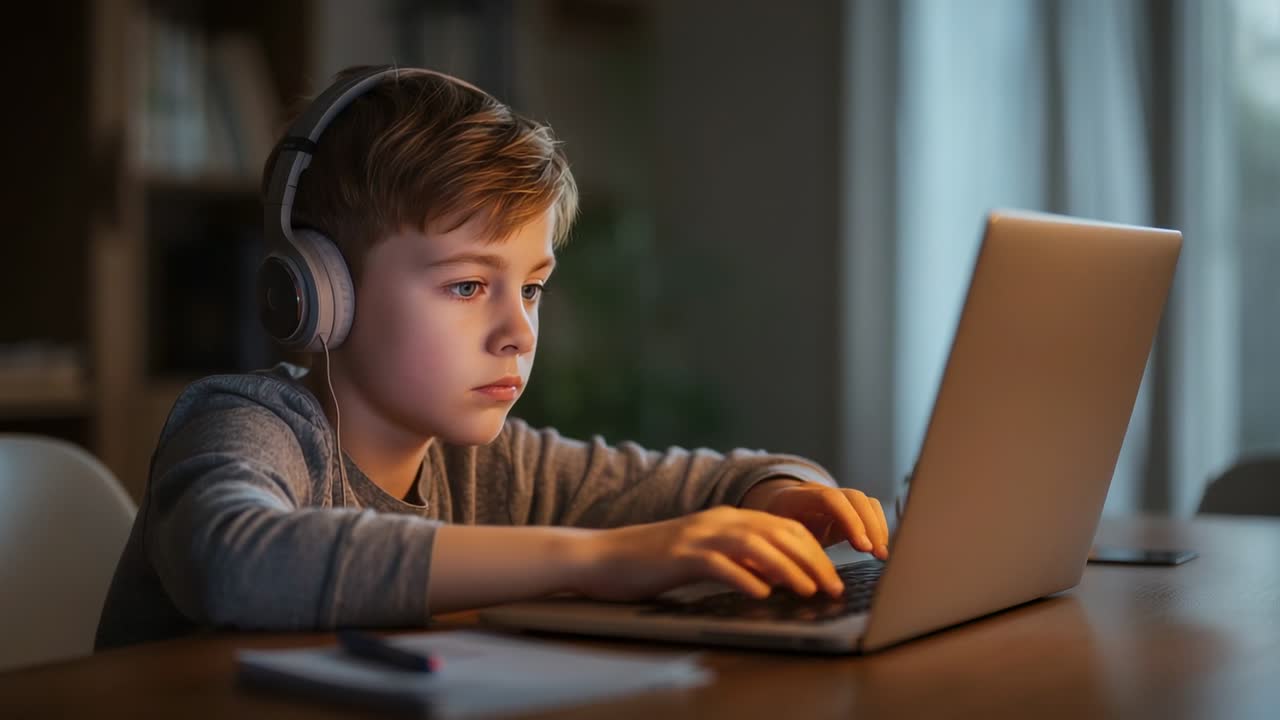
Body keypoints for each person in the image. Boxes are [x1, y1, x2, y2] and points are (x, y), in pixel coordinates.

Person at [94, 66, 891, 651]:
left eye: (534, 288)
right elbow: (232, 562)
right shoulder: (247, 423)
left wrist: (787, 496)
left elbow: (724, 483)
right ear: (319, 292)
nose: (519, 331)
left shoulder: (487, 467)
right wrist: (598, 557)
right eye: (470, 285)